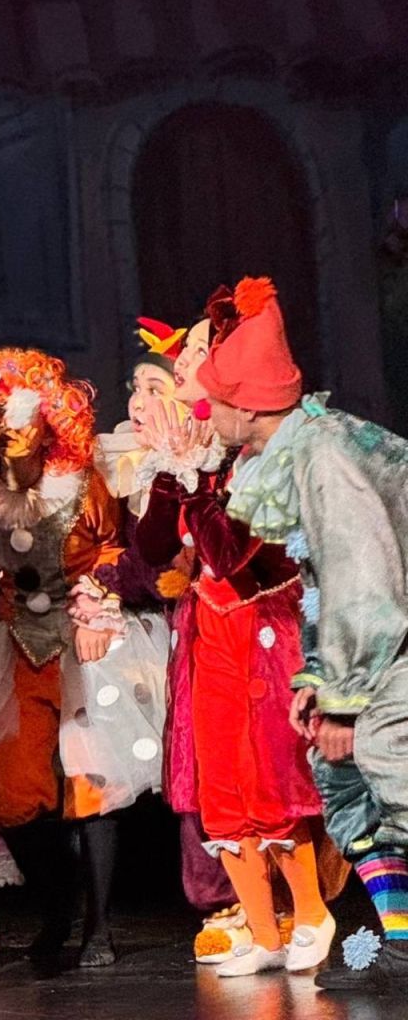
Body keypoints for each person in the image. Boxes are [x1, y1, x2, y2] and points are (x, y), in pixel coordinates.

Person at [197, 276, 408, 992]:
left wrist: (344, 699)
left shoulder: (325, 456)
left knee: (390, 770)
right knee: (345, 783)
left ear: (248, 408)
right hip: (376, 643)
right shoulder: (297, 447)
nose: (207, 413)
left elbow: (364, 580)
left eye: (216, 401)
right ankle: (401, 942)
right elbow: (321, 577)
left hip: (392, 638)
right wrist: (317, 674)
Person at [136, 276, 333, 977]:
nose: (186, 362)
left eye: (200, 351)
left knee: (269, 778)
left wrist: (193, 476)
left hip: (265, 628)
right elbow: (152, 549)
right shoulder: (199, 451)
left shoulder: (267, 457)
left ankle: (309, 912)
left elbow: (231, 554)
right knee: (222, 784)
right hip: (210, 629)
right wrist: (172, 475)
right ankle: (260, 927)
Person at [0, 348, 166, 966]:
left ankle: (97, 928)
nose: (10, 430)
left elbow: (112, 550)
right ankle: (57, 904)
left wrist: (97, 613)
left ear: (50, 423)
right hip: (18, 642)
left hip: (83, 638)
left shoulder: (80, 483)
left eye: (23, 417)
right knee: (18, 790)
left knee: (92, 780)